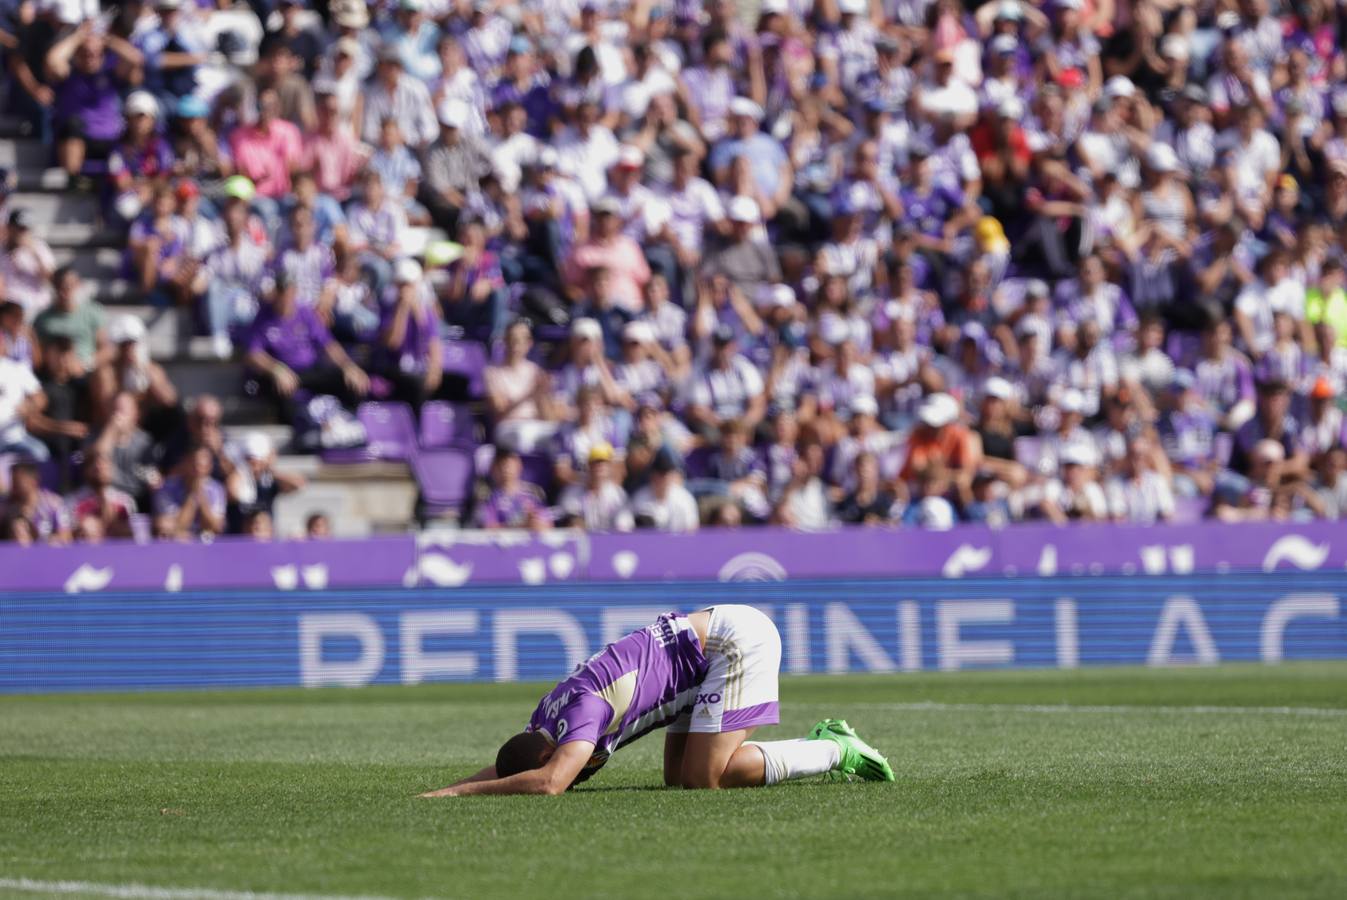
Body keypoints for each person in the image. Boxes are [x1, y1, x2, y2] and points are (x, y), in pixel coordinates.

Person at [419, 605, 893, 796]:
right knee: (679, 780)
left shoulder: (581, 715)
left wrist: (463, 792)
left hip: (732, 643)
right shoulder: (543, 718)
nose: (577, 764)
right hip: (698, 657)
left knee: (709, 778)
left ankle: (833, 748)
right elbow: (517, 767)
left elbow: (549, 782)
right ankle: (827, 746)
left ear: (547, 748)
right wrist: (442, 791)